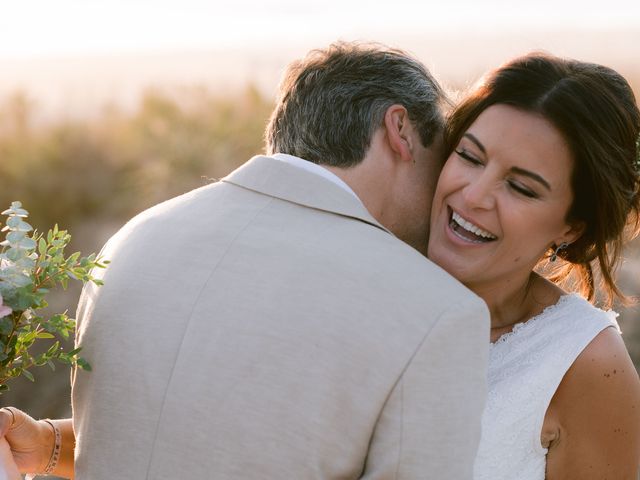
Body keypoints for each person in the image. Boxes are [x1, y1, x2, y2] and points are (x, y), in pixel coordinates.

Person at [0, 42, 490, 479]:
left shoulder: (130, 242)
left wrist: (50, 445)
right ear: (400, 130)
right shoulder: (436, 309)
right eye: (445, 149)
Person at [427, 53, 640, 479]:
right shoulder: (359, 283)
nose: (474, 196)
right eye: (469, 156)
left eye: (521, 187)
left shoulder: (585, 365)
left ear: (572, 228)